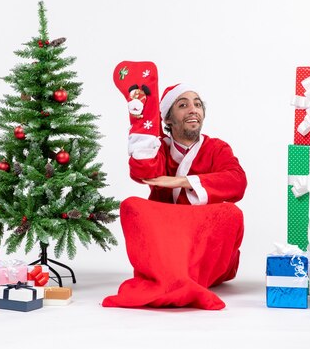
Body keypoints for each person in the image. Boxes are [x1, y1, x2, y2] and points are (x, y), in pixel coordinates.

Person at [103, 62, 248, 310]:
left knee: (232, 213)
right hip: (168, 236)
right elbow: (142, 172)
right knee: (131, 206)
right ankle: (177, 279)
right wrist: (145, 130)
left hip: (203, 243)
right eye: (183, 105)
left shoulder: (217, 148)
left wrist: (184, 181)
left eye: (198, 104)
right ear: (168, 119)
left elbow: (238, 181)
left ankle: (180, 280)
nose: (193, 110)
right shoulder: (158, 147)